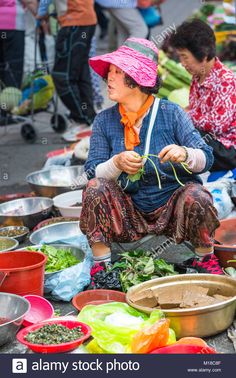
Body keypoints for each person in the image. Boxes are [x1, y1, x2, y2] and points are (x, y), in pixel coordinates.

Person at [80, 37, 223, 275]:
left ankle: (204, 259)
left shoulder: (171, 113)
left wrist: (185, 153)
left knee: (197, 195)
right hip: (127, 212)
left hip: (171, 209)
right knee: (94, 188)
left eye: (117, 72)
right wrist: (116, 163)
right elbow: (91, 170)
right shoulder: (104, 120)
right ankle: (102, 269)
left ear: (136, 80)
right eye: (110, 72)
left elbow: (206, 157)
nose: (109, 78)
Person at [169, 19, 236, 171]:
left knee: (179, 136)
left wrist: (184, 115)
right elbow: (195, 109)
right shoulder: (198, 75)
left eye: (185, 57)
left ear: (203, 54)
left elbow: (217, 125)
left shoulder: (225, 80)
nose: (182, 63)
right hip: (207, 141)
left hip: (226, 149)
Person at [37, 0, 97, 133]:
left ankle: (82, 120)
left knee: (62, 77)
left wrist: (40, 13)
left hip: (73, 23)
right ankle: (89, 119)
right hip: (86, 20)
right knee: (80, 74)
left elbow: (43, 5)